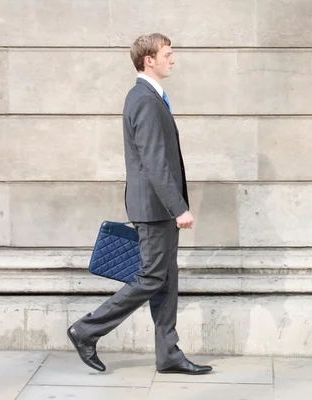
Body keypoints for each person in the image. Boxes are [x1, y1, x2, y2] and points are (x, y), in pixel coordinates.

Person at [67, 33, 212, 375]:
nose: (172, 59)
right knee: (150, 278)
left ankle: (169, 353)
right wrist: (178, 207)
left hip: (155, 206)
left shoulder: (148, 97)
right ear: (149, 59)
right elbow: (154, 162)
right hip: (155, 207)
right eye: (168, 53)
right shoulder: (145, 99)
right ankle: (86, 330)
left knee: (166, 279)